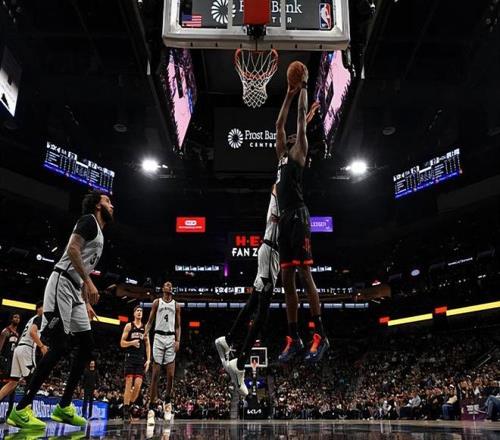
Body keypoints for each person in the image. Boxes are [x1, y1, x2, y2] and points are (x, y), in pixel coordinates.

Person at [7, 191, 114, 430]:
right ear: (97, 205)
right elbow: (73, 250)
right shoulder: (88, 221)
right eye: (108, 201)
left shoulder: (99, 232)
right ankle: (21, 409)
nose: (112, 205)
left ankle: (64, 407)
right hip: (61, 283)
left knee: (87, 347)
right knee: (60, 345)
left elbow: (82, 265)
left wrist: (85, 299)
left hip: (75, 290)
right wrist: (89, 283)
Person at [275, 65, 329, 363]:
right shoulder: (282, 155)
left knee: (305, 273)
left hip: (298, 216)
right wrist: (288, 93)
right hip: (284, 220)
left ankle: (320, 333)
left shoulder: (298, 153)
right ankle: (293, 336)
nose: (290, 136)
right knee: (286, 278)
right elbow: (279, 125)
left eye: (297, 135)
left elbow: (298, 120)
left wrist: (304, 87)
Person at [214, 185, 280, 397]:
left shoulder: (285, 198)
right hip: (271, 252)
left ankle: (228, 341)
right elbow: (276, 186)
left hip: (271, 253)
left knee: (253, 304)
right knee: (261, 315)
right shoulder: (282, 192)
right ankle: (240, 362)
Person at [144, 281, 181, 425]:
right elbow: (150, 321)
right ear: (163, 288)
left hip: (170, 338)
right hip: (158, 337)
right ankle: (151, 408)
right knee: (155, 375)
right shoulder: (156, 302)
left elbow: (178, 326)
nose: (169, 286)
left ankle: (168, 402)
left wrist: (178, 340)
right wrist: (145, 333)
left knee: (171, 375)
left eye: (171, 285)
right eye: (166, 285)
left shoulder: (176, 305)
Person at [120, 305, 151, 421]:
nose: (139, 312)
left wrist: (148, 360)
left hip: (140, 359)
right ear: (134, 313)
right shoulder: (129, 326)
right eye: (137, 310)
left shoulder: (145, 327)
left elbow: (147, 344)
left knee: (137, 386)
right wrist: (131, 343)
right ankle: (126, 410)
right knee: (129, 384)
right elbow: (122, 343)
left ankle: (128, 405)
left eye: (141, 311)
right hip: (130, 358)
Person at [0, 313, 21, 421]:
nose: (17, 319)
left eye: (18, 318)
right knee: (3, 387)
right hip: (5, 361)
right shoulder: (6, 331)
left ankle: (9, 414)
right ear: (11, 319)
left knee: (13, 387)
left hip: (13, 362)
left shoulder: (17, 334)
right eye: (15, 317)